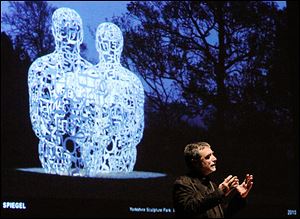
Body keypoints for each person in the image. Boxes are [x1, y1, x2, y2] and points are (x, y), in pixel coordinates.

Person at [173, 142, 253, 218]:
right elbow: (189, 210)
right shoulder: (182, 183)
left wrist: (240, 197)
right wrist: (219, 192)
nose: (215, 158)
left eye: (212, 154)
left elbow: (222, 215)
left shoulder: (211, 184)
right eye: (208, 157)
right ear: (195, 162)